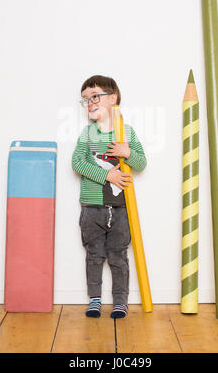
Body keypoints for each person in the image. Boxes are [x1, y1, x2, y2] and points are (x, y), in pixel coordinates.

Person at [72, 75, 147, 318]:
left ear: (112, 98)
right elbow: (77, 163)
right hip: (92, 208)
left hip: (121, 208)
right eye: (85, 99)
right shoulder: (87, 134)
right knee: (94, 255)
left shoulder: (127, 133)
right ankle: (94, 299)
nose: (90, 102)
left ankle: (120, 301)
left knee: (118, 256)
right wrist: (107, 177)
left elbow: (141, 163)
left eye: (95, 96)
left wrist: (127, 152)